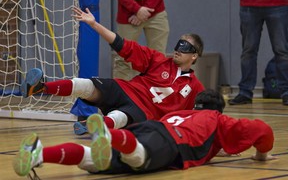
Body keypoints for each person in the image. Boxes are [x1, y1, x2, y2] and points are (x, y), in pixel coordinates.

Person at [13, 90, 276, 179]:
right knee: (139, 158)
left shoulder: (183, 113)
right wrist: (261, 155)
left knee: (93, 160)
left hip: (151, 127)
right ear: (218, 108)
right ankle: (108, 134)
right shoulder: (217, 119)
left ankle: (39, 153)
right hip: (172, 141)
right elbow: (263, 130)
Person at [21, 6, 205, 133]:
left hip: (144, 113)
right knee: (87, 84)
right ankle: (40, 88)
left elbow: (202, 119)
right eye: (178, 45)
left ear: (194, 55)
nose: (178, 49)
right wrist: (93, 24)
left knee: (121, 117)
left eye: (185, 47)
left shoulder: (195, 88)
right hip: (125, 89)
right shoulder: (158, 60)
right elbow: (122, 45)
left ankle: (96, 126)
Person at [229, 0, 288, 106]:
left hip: (278, 3)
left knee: (282, 51)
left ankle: (286, 92)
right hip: (249, 4)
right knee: (248, 51)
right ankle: (245, 92)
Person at [111, 0, 170, 80]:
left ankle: (155, 94)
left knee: (159, 59)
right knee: (123, 60)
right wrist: (137, 9)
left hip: (155, 13)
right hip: (128, 16)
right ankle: (121, 95)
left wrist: (145, 10)